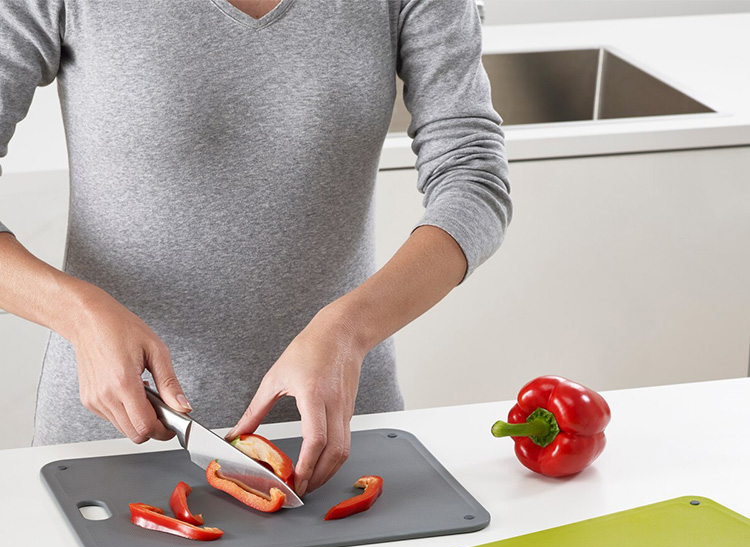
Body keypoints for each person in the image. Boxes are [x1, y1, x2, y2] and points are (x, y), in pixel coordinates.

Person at [0, 0, 511, 497]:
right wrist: (77, 313)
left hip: (339, 443)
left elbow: (472, 176)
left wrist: (350, 329)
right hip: (115, 437)